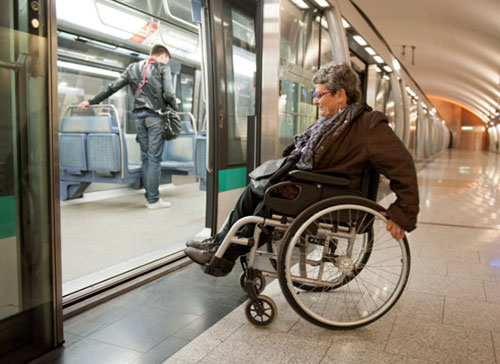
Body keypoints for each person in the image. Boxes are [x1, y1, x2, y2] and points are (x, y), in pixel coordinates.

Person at [185, 61, 419, 273]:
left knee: (271, 195)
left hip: (331, 193)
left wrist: (403, 212)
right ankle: (220, 242)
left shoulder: (369, 124)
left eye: (319, 95)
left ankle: (224, 256)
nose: (315, 101)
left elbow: (402, 164)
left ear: (341, 94)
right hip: (315, 187)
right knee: (256, 187)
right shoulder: (331, 123)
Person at [78, 44, 177, 209]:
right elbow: (168, 94)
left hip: (139, 118)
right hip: (155, 117)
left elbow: (112, 87)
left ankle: (150, 197)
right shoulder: (162, 68)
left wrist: (91, 101)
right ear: (163, 56)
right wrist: (174, 106)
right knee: (154, 159)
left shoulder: (132, 68)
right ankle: (153, 200)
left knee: (146, 158)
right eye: (166, 60)